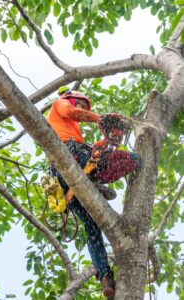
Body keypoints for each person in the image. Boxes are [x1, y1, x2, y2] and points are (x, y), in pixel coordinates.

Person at [46, 87, 142, 298]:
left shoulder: (74, 131)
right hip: (69, 160)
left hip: (73, 182)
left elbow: (94, 151)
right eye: (80, 105)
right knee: (133, 159)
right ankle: (94, 179)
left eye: (83, 108)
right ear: (71, 99)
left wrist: (109, 140)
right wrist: (100, 119)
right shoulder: (60, 105)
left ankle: (105, 277)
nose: (81, 111)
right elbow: (71, 112)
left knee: (92, 229)